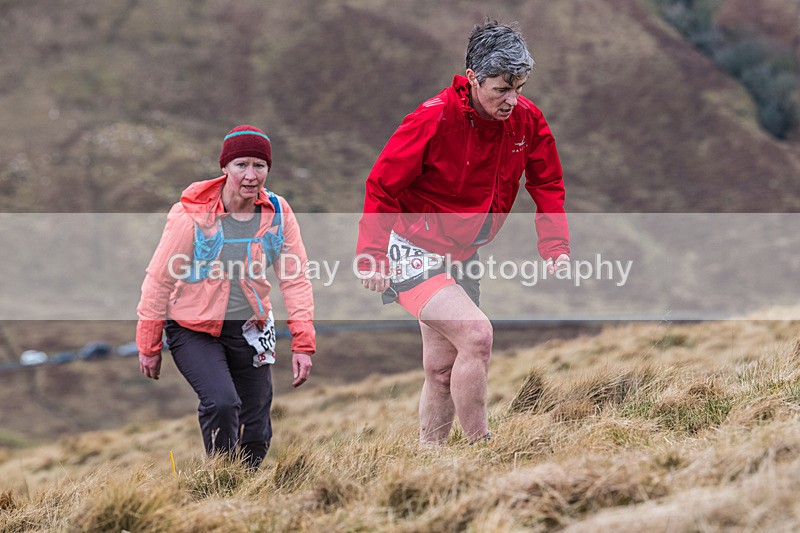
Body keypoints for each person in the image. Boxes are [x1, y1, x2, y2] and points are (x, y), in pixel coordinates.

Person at [356, 21, 570, 444]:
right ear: (473, 77)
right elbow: (382, 184)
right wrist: (373, 255)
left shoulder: (527, 120)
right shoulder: (432, 119)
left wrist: (555, 247)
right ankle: (481, 448)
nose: (513, 99)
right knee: (477, 336)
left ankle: (430, 462)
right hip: (410, 248)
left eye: (519, 87)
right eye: (501, 88)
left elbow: (546, 183)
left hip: (462, 253)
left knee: (441, 369)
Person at [136, 125, 315, 469]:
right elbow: (159, 280)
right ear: (225, 168)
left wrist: (303, 343)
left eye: (259, 166)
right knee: (221, 404)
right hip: (193, 328)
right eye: (241, 165)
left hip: (249, 327)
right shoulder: (191, 215)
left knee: (257, 430)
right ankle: (221, 482)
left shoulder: (277, 212)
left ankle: (243, 490)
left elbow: (295, 278)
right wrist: (149, 344)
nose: (251, 175)